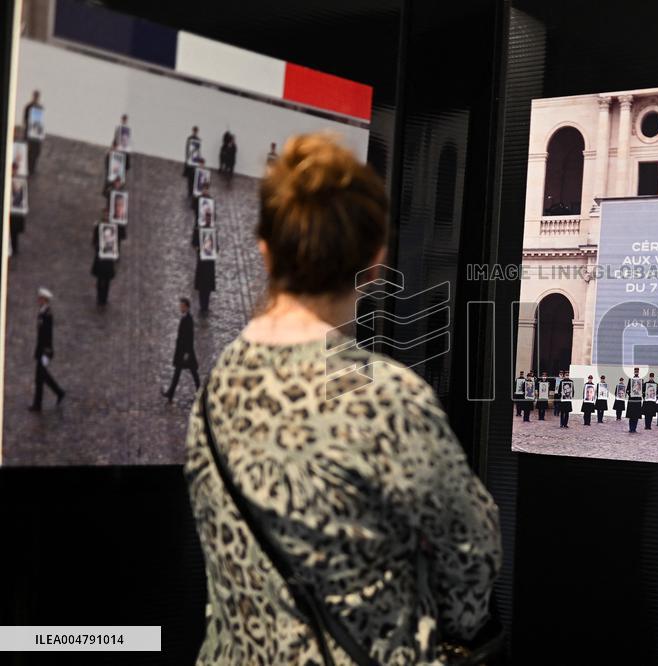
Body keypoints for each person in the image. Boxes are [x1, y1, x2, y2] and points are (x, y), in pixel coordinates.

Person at [184, 132, 500, 665]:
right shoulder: (388, 400)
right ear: (375, 264)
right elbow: (472, 554)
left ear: (264, 250)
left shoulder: (214, 390)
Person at [29, 287, 65, 411]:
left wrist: (46, 352)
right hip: (40, 350)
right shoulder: (42, 312)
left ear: (44, 300)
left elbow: (48, 335)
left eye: (40, 298)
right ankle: (58, 392)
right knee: (42, 377)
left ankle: (39, 404)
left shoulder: (47, 315)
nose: (38, 300)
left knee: (40, 378)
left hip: (44, 351)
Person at [162, 298, 200, 403]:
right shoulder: (185, 318)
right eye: (180, 306)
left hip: (186, 352)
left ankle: (200, 392)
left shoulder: (188, 320)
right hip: (182, 351)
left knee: (193, 372)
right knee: (178, 372)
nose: (180, 308)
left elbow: (189, 337)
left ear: (187, 307)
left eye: (182, 306)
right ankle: (170, 394)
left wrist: (187, 353)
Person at [192, 215, 217, 314]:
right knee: (202, 284)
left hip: (210, 262)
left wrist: (215, 250)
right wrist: (199, 248)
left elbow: (216, 245)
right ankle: (202, 305)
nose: (208, 220)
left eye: (209, 218)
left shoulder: (213, 230)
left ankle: (206, 305)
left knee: (208, 284)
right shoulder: (199, 229)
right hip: (202, 261)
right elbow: (194, 243)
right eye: (206, 218)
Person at [91, 215, 116, 306]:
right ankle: (99, 297)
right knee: (100, 279)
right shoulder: (99, 227)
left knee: (107, 280)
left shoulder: (113, 227)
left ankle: (104, 298)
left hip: (109, 259)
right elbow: (94, 241)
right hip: (100, 258)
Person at [23, 90, 43, 174]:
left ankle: (32, 168)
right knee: (28, 150)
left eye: (37, 96)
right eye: (35, 96)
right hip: (29, 131)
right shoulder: (29, 106)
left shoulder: (39, 107)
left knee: (36, 151)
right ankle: (27, 167)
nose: (36, 98)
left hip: (36, 133)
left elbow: (40, 122)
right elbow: (25, 119)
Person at [625, 368, 643, 433]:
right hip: (632, 401)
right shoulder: (630, 380)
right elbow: (627, 390)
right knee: (631, 415)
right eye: (635, 371)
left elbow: (643, 391)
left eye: (637, 371)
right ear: (634, 372)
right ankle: (630, 428)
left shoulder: (641, 380)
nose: (636, 372)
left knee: (636, 416)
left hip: (637, 401)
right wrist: (630, 393)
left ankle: (634, 428)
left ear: (638, 372)